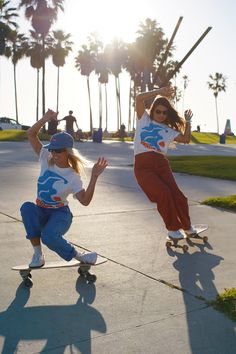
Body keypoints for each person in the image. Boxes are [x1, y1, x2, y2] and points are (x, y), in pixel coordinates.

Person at [20, 109, 107, 268]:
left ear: (67, 152)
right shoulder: (45, 157)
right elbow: (31, 134)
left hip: (60, 214)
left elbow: (85, 201)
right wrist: (45, 119)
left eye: (58, 150)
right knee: (27, 208)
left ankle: (80, 256)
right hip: (41, 210)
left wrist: (94, 177)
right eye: (52, 149)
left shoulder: (72, 176)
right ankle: (38, 255)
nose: (53, 153)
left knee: (48, 236)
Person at [134, 86, 197, 240]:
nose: (161, 115)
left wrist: (188, 122)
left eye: (164, 112)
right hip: (143, 167)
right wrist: (158, 92)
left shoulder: (168, 130)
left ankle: (187, 227)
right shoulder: (144, 119)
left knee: (178, 196)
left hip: (161, 164)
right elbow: (138, 98)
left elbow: (186, 139)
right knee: (164, 193)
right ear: (153, 110)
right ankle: (173, 229)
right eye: (158, 111)